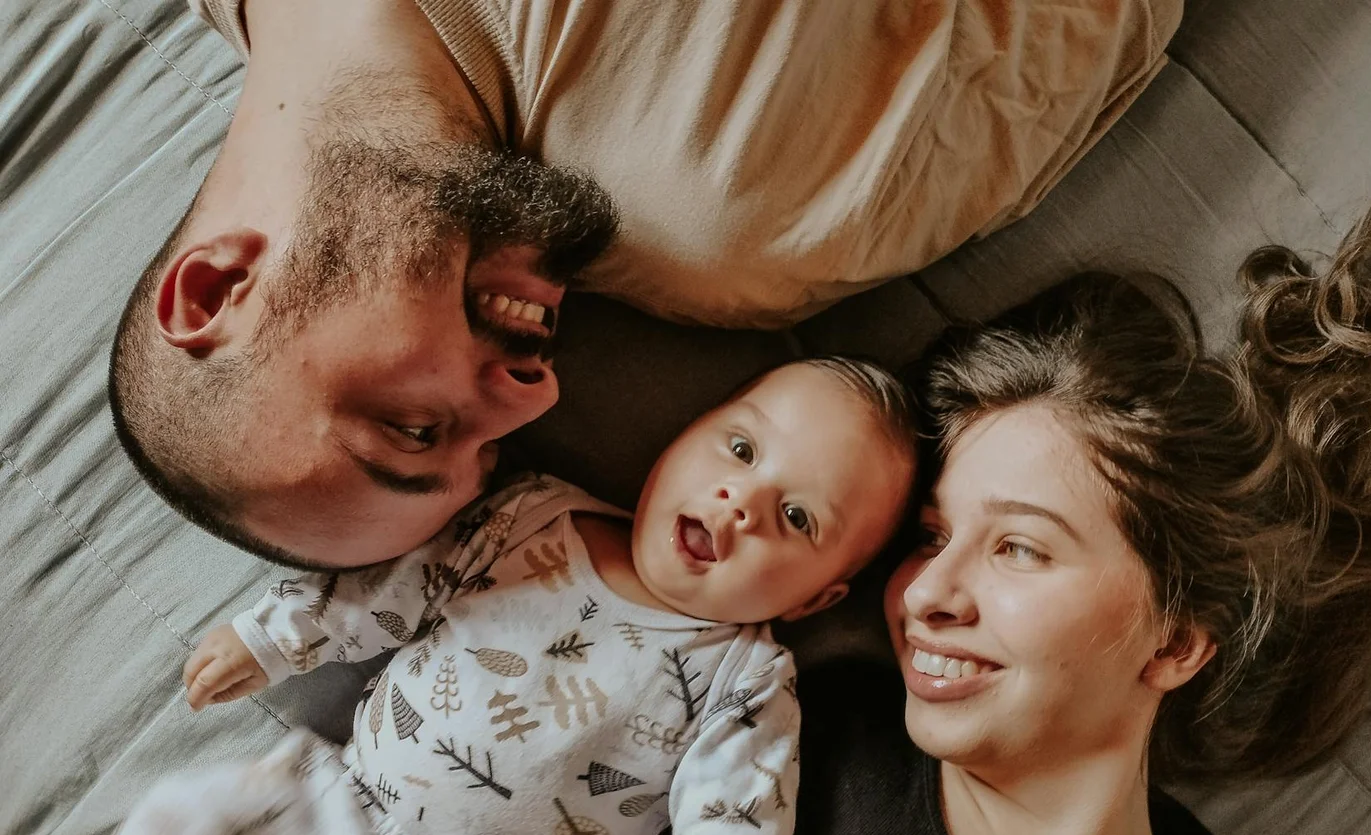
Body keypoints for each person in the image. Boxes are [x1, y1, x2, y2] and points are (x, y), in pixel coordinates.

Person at [497, 150, 1371, 835]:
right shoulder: (804, 748)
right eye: (932, 536)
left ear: (1176, 641)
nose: (924, 594)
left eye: (1018, 547)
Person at [0, 359, 918, 835]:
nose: (742, 502)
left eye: (797, 517)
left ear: (816, 599)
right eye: (741, 449)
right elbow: (393, 587)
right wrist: (276, 636)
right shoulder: (533, 516)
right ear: (688, 433)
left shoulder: (746, 683)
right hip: (325, 822)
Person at [108, 0, 1180, 569]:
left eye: (416, 429)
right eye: (485, 456)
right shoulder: (733, 211)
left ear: (217, 292)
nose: (533, 395)